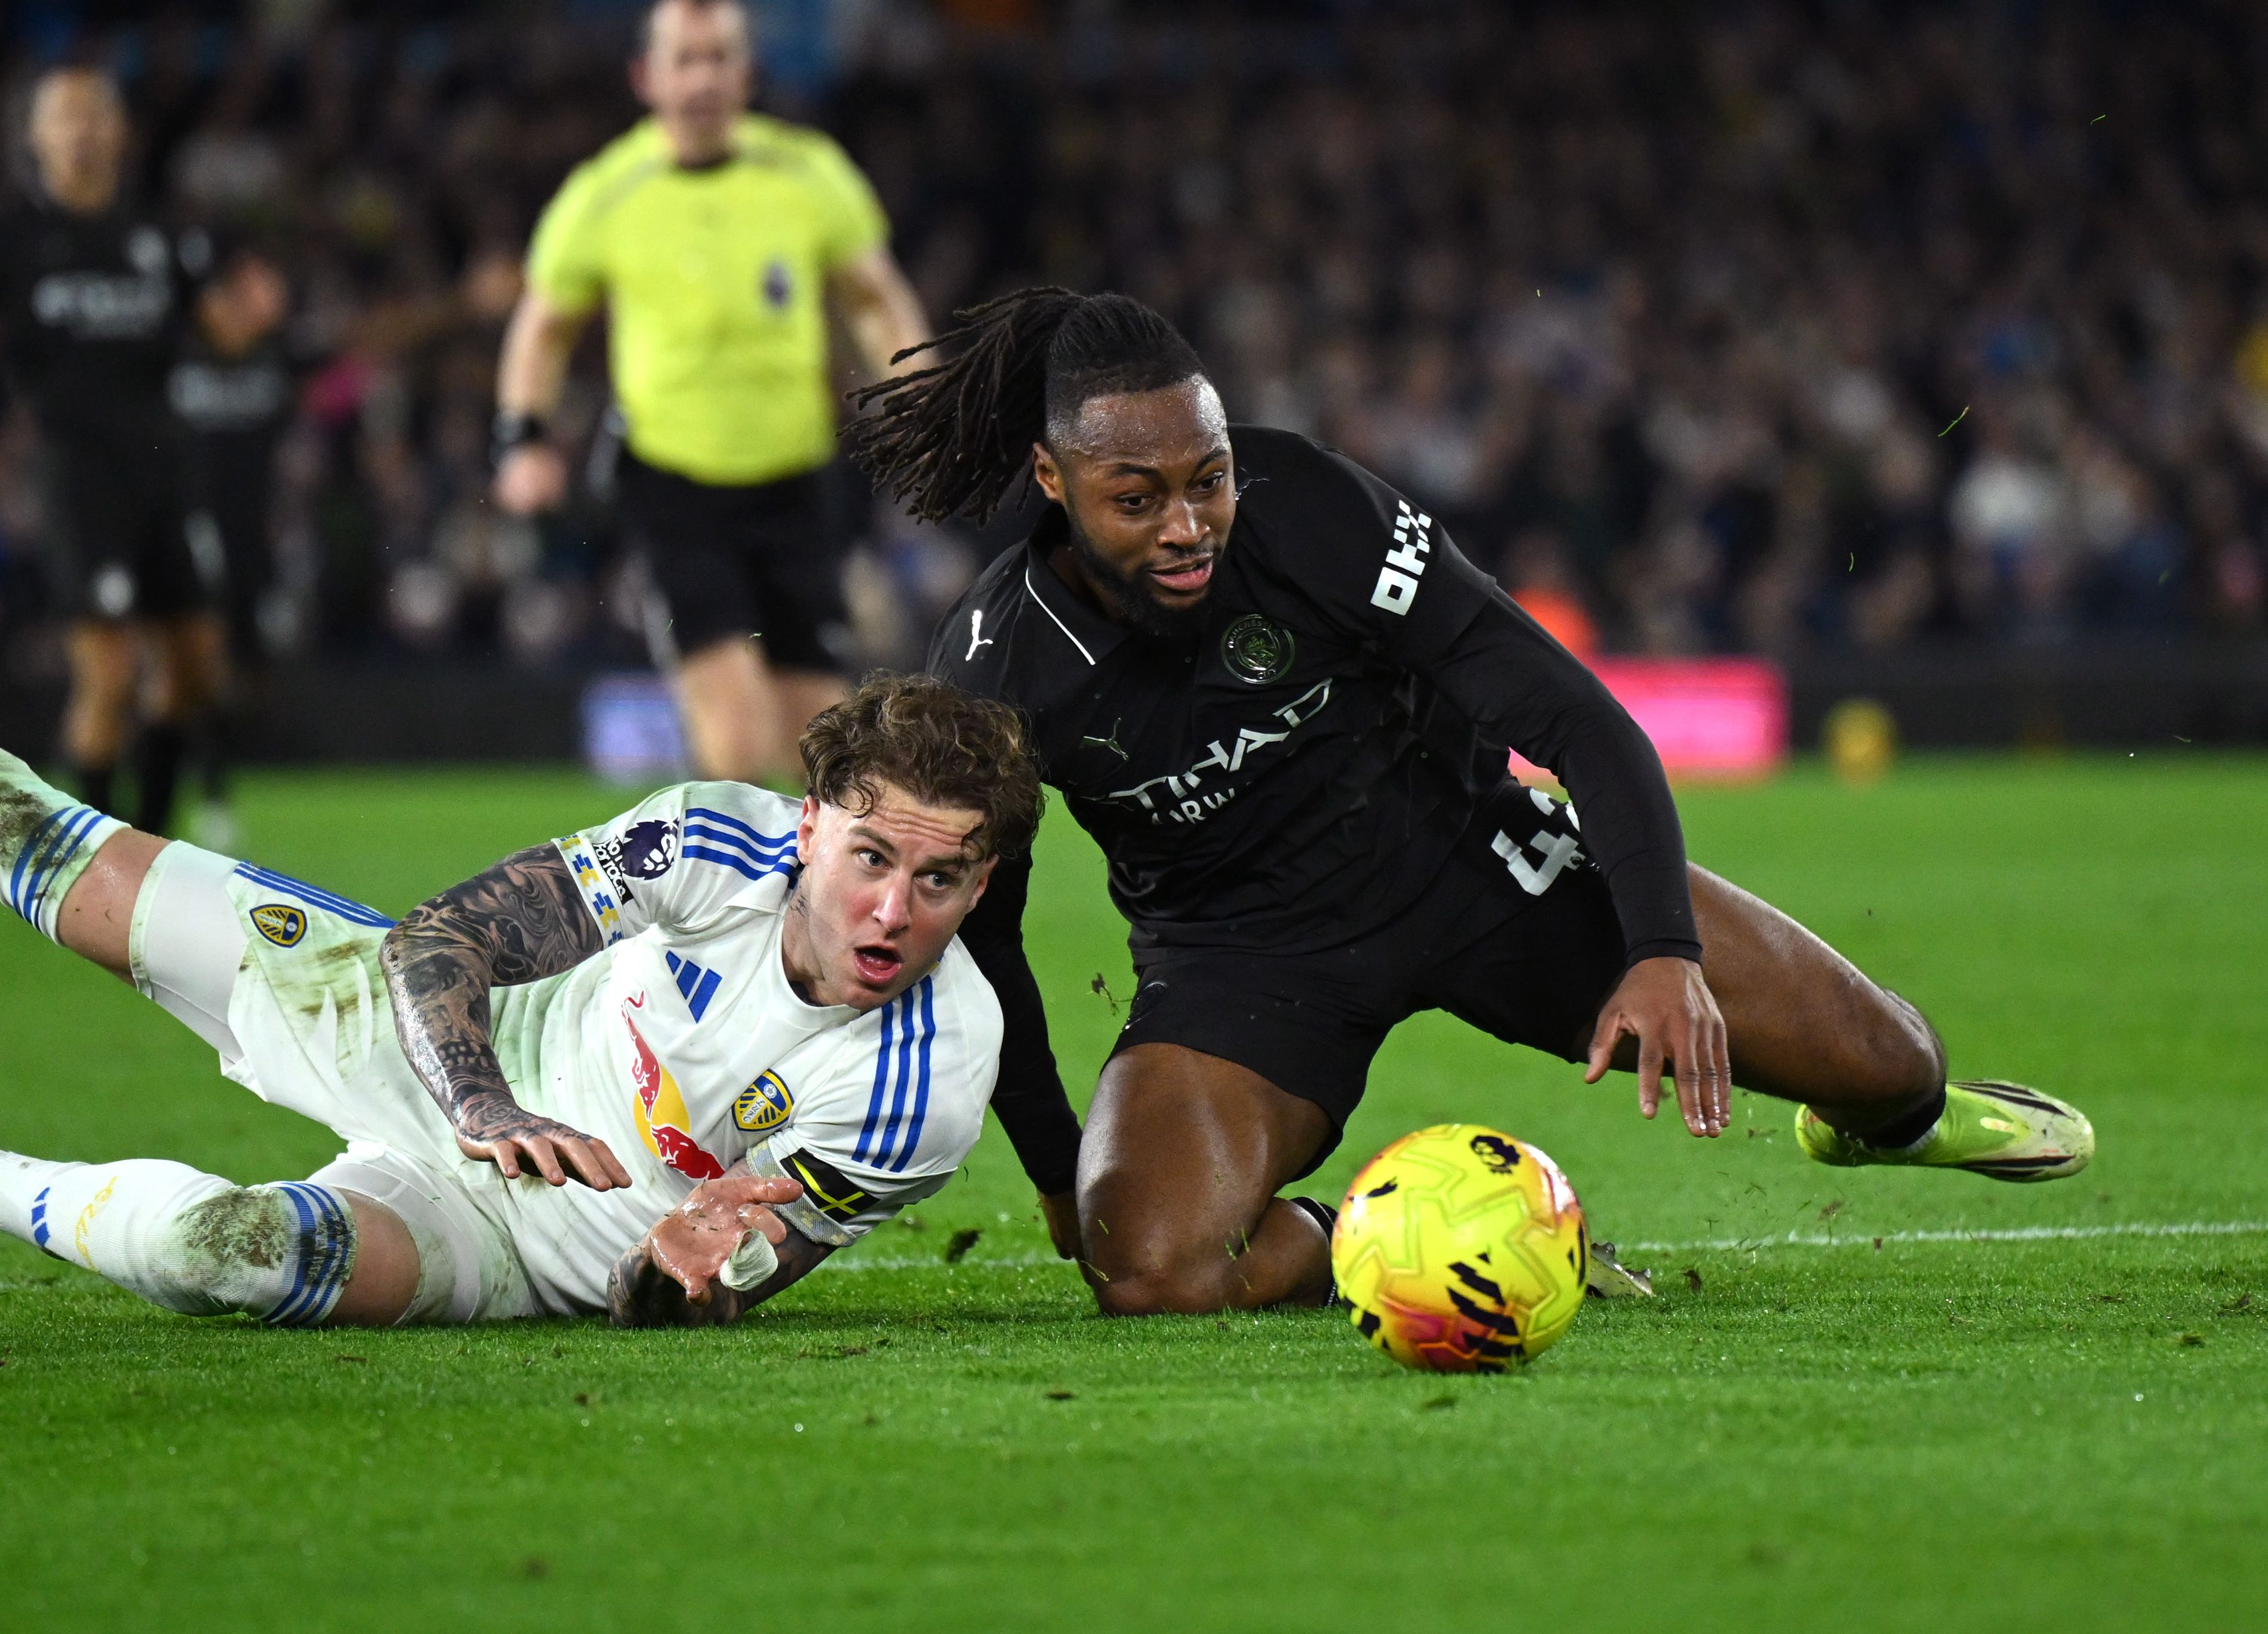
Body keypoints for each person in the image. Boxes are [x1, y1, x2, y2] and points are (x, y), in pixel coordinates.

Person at [852, 288, 2096, 1316]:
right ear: (1052, 479)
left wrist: (1660, 953)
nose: (1187, 527)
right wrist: (1055, 1169)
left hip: (1475, 864)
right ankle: (1409, 1239)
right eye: (1137, 499)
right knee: (1146, 1271)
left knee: (1895, 1068)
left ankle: (1875, 1118)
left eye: (1209, 480)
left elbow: (1575, 719)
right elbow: (987, 937)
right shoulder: (997, 673)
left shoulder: (1313, 511)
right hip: (1240, 961)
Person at [0, 551, 1035, 1327]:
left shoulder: (932, 1076)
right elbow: (440, 941)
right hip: (434, 1039)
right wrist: (483, 1102)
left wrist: (683, 1273)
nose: (892, 911)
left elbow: (699, 1291)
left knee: (227, 1257)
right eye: (871, 859)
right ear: (811, 823)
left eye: (942, 881)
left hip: (508, 1247)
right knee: (29, 837)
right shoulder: (711, 839)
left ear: (982, 885)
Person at [492, 0, 933, 782]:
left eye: (719, 57)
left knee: (820, 747)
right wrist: (521, 438)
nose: (702, 79)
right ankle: (729, 864)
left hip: (795, 485)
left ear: (747, 73)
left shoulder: (807, 173)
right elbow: (543, 326)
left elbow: (874, 297)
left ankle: (794, 870)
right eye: (684, 59)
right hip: (675, 488)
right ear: (646, 77)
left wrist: (920, 395)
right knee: (735, 739)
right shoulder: (606, 193)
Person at [0, 69, 275, 838]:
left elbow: (224, 336)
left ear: (120, 132)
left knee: (195, 666)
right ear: (36, 137)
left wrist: (256, 312)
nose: (83, 129)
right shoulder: (8, 235)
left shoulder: (158, 232)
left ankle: (151, 837)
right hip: (76, 471)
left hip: (165, 466)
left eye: (96, 114)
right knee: (109, 673)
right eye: (66, 116)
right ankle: (93, 861)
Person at [167, 243, 295, 853]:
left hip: (256, 539)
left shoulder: (276, 360)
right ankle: (210, 789)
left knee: (249, 670)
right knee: (201, 662)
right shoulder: (174, 355)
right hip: (191, 531)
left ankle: (218, 767)